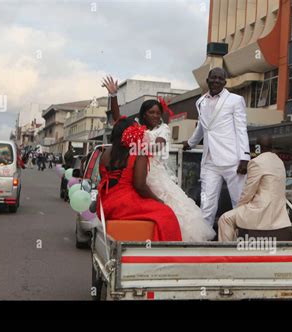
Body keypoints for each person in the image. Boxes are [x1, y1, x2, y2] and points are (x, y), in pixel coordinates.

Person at [102, 76, 215, 241]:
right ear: (144, 114)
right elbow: (118, 119)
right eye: (151, 112)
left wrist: (140, 149)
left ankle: (172, 239)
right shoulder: (136, 127)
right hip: (135, 170)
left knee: (169, 207)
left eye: (157, 112)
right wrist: (113, 95)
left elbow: (159, 145)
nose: (155, 116)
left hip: (154, 173)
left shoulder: (163, 128)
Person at [182, 67, 250, 230]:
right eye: (213, 78)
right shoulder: (201, 101)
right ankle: (203, 240)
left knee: (239, 202)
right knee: (207, 204)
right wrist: (190, 143)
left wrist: (245, 157)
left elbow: (241, 128)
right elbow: (203, 127)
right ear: (208, 80)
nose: (216, 81)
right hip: (209, 161)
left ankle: (241, 236)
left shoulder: (235, 100)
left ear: (225, 82)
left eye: (220, 79)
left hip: (233, 161)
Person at [97, 117, 182, 241]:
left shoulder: (105, 153)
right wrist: (158, 201)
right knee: (167, 214)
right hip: (124, 203)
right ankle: (165, 255)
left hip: (104, 205)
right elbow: (140, 186)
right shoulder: (138, 152)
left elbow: (103, 179)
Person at [218, 136, 292, 241]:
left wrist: (238, 209)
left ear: (257, 147)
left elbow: (248, 192)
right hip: (278, 214)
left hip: (260, 211)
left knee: (225, 219)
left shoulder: (256, 162)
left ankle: (227, 254)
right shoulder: (279, 162)